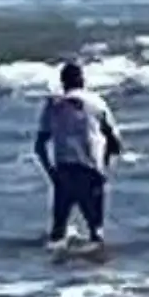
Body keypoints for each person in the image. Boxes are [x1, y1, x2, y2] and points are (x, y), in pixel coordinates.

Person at [33, 61, 123, 246]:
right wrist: (104, 169)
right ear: (82, 81)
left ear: (63, 82)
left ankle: (55, 271)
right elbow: (115, 144)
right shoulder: (97, 102)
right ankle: (97, 269)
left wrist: (52, 174)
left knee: (57, 234)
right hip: (90, 170)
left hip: (64, 171)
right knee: (96, 232)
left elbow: (39, 146)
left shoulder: (53, 105)